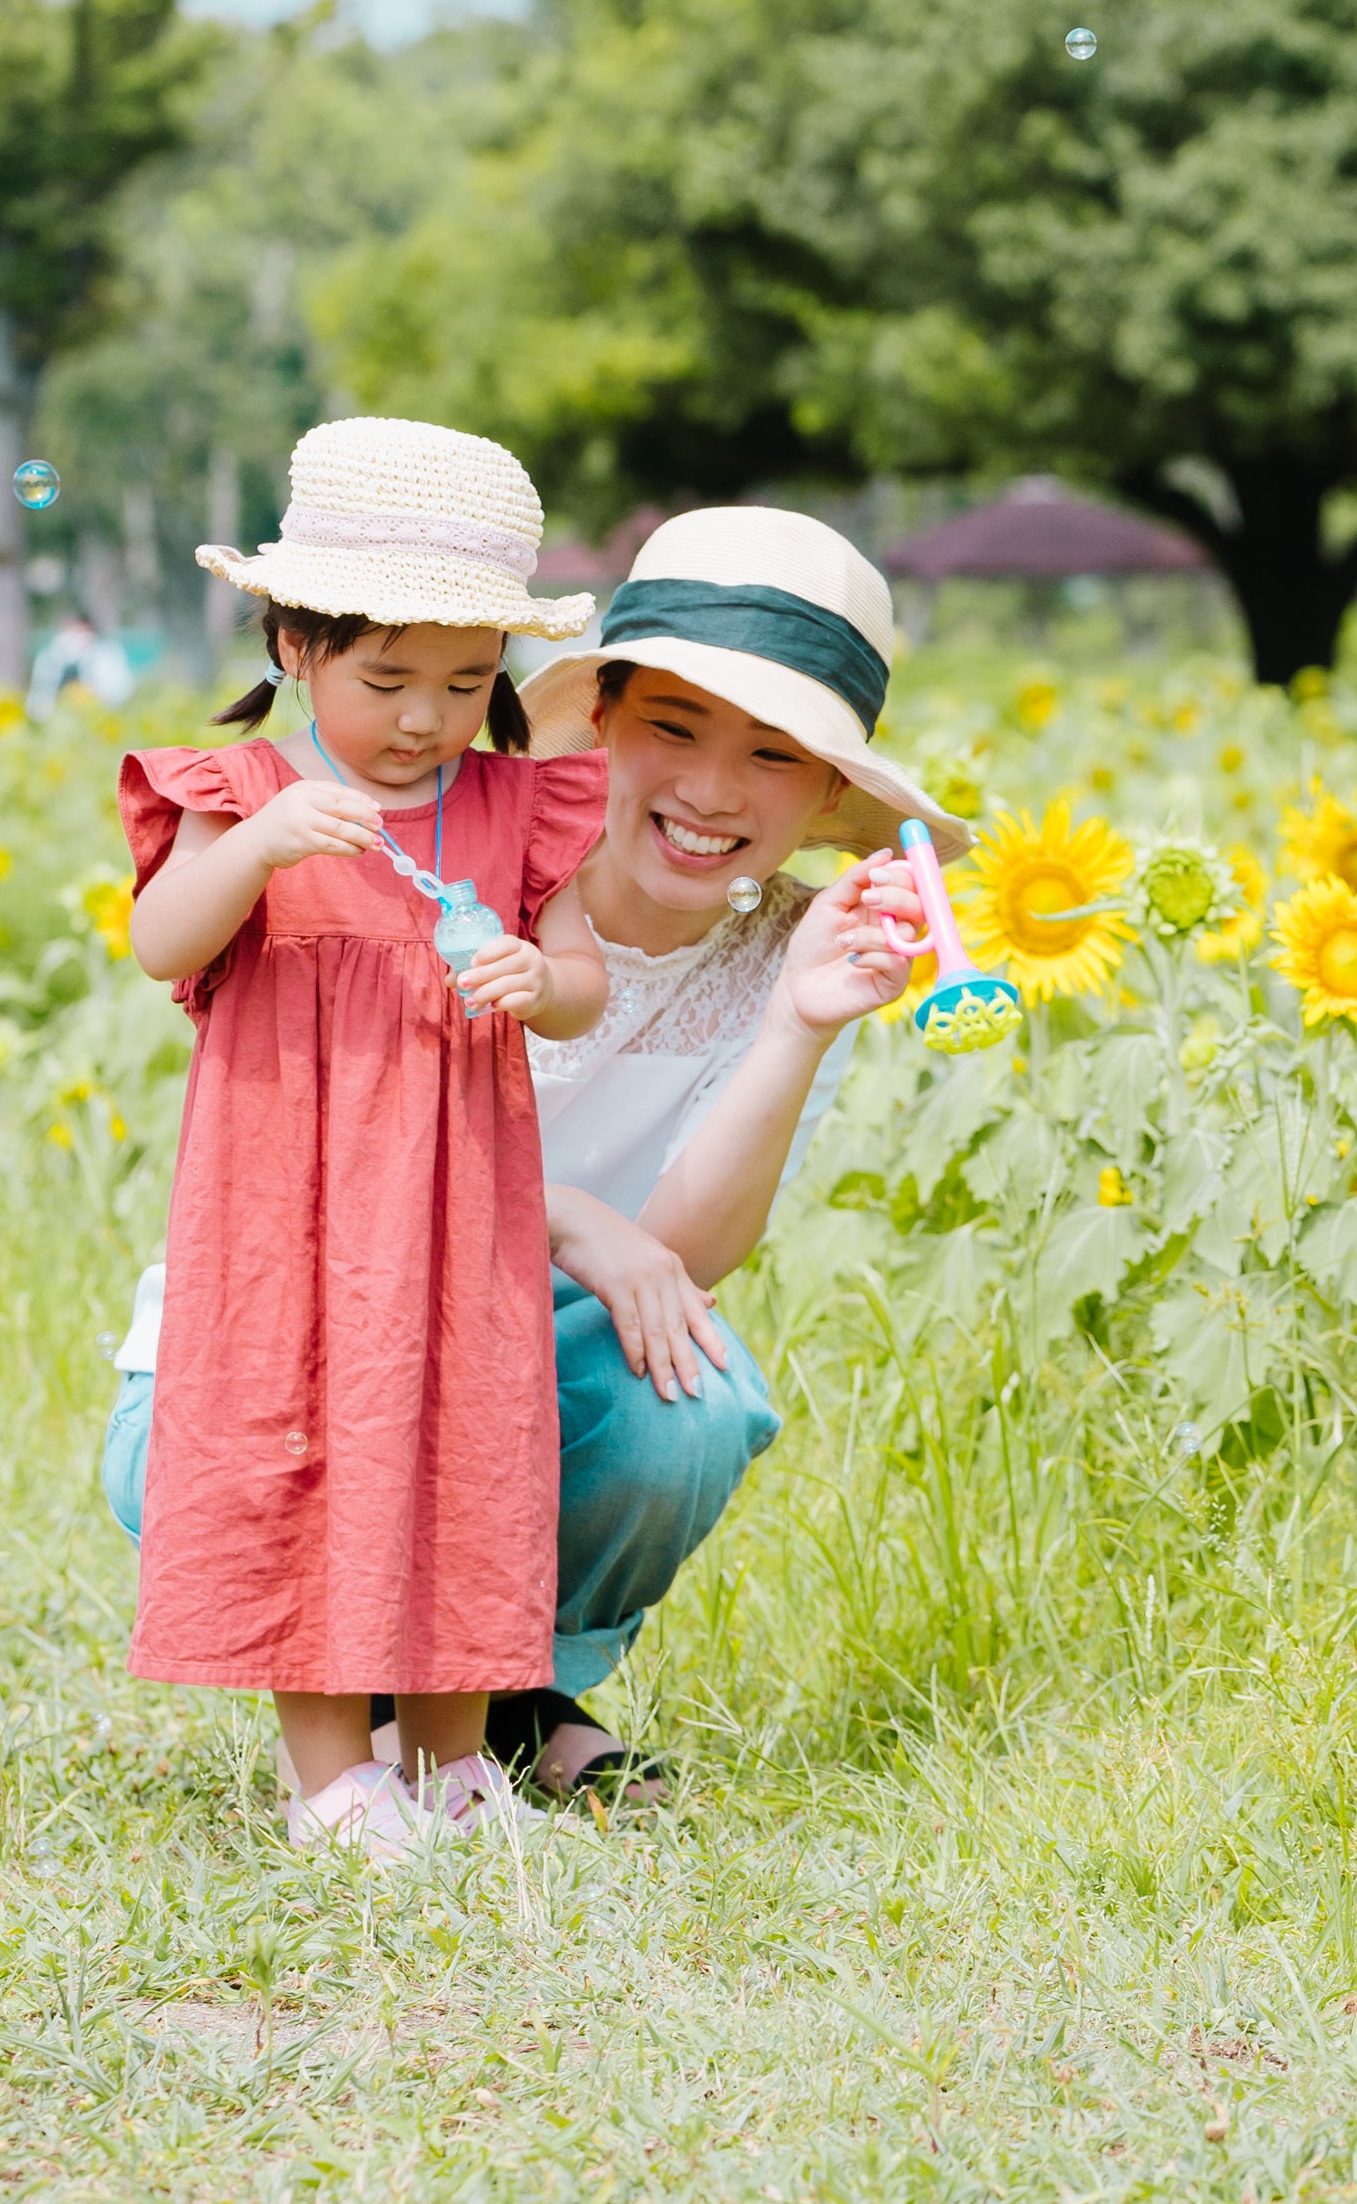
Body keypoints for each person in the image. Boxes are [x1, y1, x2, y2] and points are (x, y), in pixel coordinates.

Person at [102, 499, 962, 1820]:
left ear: (829, 793)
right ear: (599, 721)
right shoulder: (381, 834)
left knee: (673, 1407)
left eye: (773, 755)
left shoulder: (792, 950)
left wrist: (797, 1021)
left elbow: (682, 1263)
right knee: (292, 1440)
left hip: (504, 1343)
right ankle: (351, 1721)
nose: (713, 790)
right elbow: (174, 945)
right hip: (297, 1318)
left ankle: (496, 1703)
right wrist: (558, 1213)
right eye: (673, 728)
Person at [122, 413, 613, 1864]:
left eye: (465, 682)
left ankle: (453, 1763)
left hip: (460, 1212)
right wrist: (257, 850)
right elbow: (161, 943)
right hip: (291, 1209)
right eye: (386, 679)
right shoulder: (241, 797)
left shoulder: (520, 805)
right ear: (294, 644)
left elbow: (583, 977)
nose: (424, 718)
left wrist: (540, 981)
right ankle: (331, 1776)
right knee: (301, 1449)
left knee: (472, 1448)